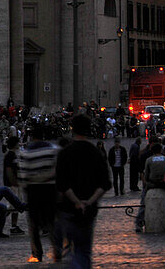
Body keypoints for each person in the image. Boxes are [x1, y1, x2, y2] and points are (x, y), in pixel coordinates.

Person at [55, 113, 111, 269]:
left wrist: (77, 202)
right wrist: (89, 201)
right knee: (84, 251)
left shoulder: (65, 153)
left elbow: (62, 184)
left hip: (69, 208)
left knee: (71, 249)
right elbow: (104, 183)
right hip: (89, 210)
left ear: (73, 129)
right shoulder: (96, 153)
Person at [18, 123, 60, 264]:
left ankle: (37, 253)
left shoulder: (25, 152)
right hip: (50, 189)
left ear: (31, 136)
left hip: (33, 191)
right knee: (51, 222)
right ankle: (57, 250)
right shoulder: (53, 150)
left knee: (33, 225)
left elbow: (22, 177)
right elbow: (59, 171)